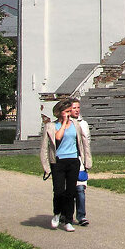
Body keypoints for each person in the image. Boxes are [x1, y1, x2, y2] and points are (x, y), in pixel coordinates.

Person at [40, 98, 92, 232]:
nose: (69, 114)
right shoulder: (51, 126)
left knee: (70, 192)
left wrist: (87, 160)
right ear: (59, 112)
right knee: (58, 191)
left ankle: (68, 220)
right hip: (58, 162)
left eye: (70, 111)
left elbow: (84, 143)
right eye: (66, 111)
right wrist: (46, 166)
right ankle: (57, 213)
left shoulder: (76, 124)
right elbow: (50, 143)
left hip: (73, 160)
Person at [70, 99, 91, 226]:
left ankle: (81, 216)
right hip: (67, 160)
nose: (77, 110)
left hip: (80, 161)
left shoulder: (83, 124)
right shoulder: (65, 124)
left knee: (80, 189)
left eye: (78, 107)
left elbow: (87, 143)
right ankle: (65, 214)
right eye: (74, 108)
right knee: (68, 190)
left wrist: (86, 160)